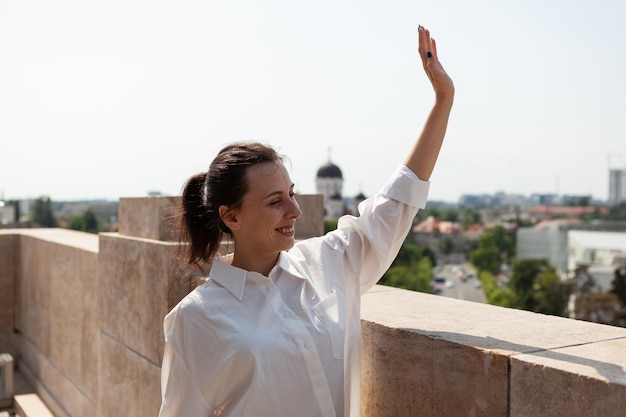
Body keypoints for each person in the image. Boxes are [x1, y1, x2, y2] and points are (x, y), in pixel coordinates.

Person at [158, 25, 454, 417]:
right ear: (231, 217)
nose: (294, 211)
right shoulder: (196, 318)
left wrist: (443, 101)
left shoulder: (328, 263)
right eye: (275, 201)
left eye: (292, 194)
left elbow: (397, 201)